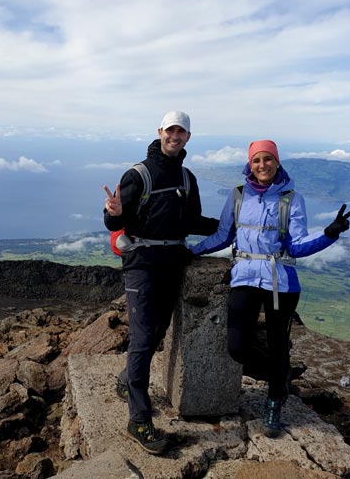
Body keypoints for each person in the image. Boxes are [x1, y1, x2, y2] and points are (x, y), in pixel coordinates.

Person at [189, 139, 350, 438]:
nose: (262, 165)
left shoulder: (291, 199)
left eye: (268, 159)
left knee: (279, 346)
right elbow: (223, 236)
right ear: (249, 165)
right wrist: (191, 252)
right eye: (257, 160)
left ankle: (274, 402)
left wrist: (329, 234)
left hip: (282, 282)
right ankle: (281, 378)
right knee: (237, 347)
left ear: (277, 163)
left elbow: (297, 245)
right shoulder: (239, 195)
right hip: (244, 277)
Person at [103, 111, 218, 454]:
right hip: (143, 266)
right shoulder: (138, 174)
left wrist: (236, 225)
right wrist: (113, 212)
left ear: (188, 137)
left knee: (156, 333)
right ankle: (138, 420)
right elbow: (114, 223)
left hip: (173, 263)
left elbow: (192, 220)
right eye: (170, 130)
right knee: (141, 340)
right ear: (160, 132)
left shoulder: (186, 177)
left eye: (181, 132)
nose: (175, 136)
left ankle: (127, 381)